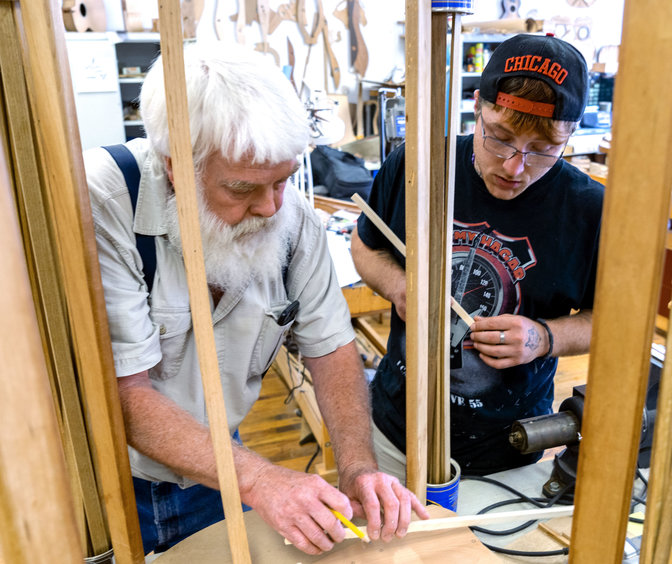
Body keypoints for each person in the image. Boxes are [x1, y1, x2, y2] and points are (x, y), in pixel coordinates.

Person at [83, 42, 426, 556]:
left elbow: (331, 349)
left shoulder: (291, 220)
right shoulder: (103, 201)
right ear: (177, 166)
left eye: (283, 180)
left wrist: (358, 465)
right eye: (242, 189)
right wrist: (261, 481)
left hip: (218, 468)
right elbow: (124, 395)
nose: (270, 208)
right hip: (103, 480)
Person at [351, 34, 604, 478]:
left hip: (509, 448)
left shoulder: (589, 210)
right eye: (500, 138)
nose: (515, 166)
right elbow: (365, 244)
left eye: (543, 150)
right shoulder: (417, 165)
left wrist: (543, 338)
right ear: (476, 107)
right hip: (395, 431)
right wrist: (400, 287)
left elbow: (612, 321)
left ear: (572, 134)